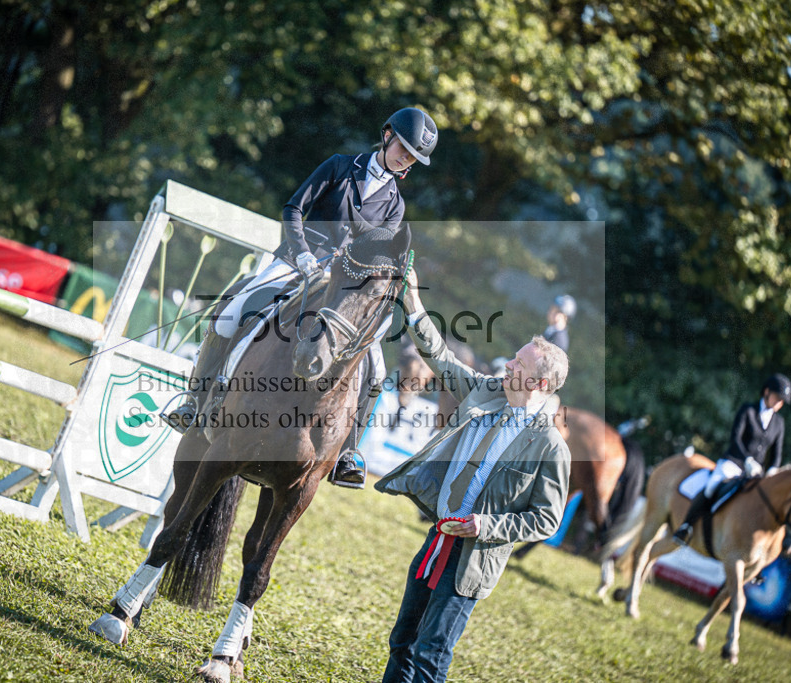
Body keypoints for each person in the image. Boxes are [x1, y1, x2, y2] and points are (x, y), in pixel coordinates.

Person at [168, 107, 438, 487]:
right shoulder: (340, 166)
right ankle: (195, 401)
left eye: (413, 156)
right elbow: (293, 208)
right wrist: (304, 254)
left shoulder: (396, 206)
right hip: (299, 261)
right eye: (404, 148)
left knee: (375, 360)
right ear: (388, 134)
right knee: (235, 311)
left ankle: (349, 451)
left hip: (345, 282)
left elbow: (377, 253)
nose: (405, 158)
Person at [375, 269, 571, 683]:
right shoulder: (485, 390)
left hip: (473, 561)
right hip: (437, 538)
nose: (508, 363)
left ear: (537, 382)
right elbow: (440, 356)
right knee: (402, 641)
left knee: (430, 656)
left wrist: (485, 525)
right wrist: (412, 301)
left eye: (518, 362)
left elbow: (546, 520)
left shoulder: (551, 446)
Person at [673, 373, 791, 545]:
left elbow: (777, 453)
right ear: (767, 392)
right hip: (734, 463)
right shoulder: (748, 410)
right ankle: (686, 526)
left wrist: (773, 469)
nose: (780, 403)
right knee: (712, 486)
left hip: (757, 472)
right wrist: (747, 460)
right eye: (778, 398)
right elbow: (735, 439)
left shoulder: (779, 423)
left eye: (783, 401)